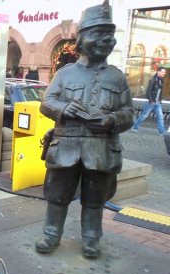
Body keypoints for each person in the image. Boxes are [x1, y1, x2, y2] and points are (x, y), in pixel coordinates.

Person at [35, 0, 134, 259]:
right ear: (82, 38)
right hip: (66, 147)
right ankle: (51, 233)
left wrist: (112, 121)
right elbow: (46, 103)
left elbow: (128, 113)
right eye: (98, 34)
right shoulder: (65, 74)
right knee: (57, 195)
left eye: (109, 35)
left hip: (101, 149)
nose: (106, 40)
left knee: (95, 199)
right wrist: (64, 109)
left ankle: (91, 239)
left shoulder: (117, 77)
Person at [131, 67, 167, 136]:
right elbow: (148, 92)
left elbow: (160, 92)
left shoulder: (161, 81)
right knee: (144, 115)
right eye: (163, 72)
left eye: (164, 72)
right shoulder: (153, 80)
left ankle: (161, 131)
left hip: (157, 103)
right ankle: (135, 127)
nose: (164, 73)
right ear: (158, 72)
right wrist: (151, 100)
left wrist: (160, 100)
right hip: (151, 102)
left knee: (160, 117)